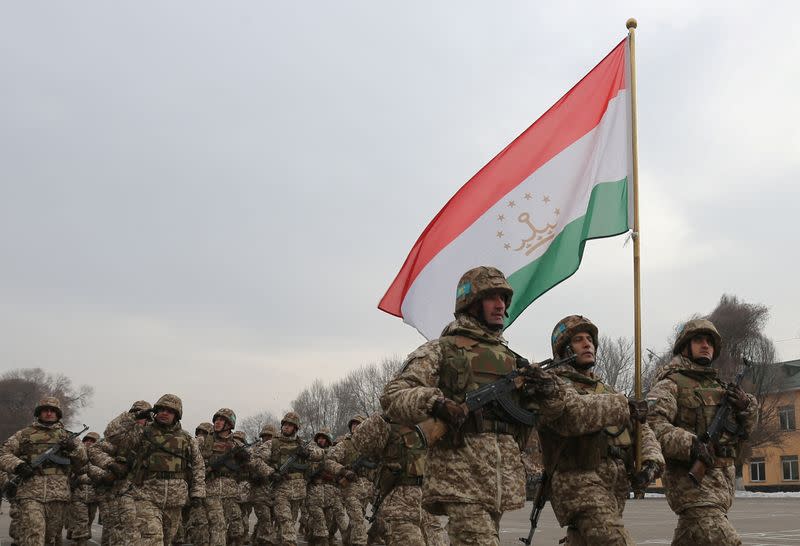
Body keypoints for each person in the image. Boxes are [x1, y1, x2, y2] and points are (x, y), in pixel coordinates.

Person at [380, 266, 566, 545]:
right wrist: (436, 403)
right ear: (471, 303)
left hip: (501, 483)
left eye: (503, 298)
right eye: (491, 297)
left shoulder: (513, 360)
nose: (500, 305)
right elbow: (393, 395)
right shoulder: (443, 349)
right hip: (461, 478)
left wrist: (547, 389)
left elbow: (548, 413)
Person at [538, 315, 664, 545]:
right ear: (564, 349)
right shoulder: (553, 386)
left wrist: (651, 461)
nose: (588, 344)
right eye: (578, 340)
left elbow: (641, 429)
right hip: (578, 482)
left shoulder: (607, 390)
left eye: (590, 339)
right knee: (615, 540)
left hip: (613, 485)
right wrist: (623, 404)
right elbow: (573, 415)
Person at [647, 319, 758, 545]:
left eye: (709, 341)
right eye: (698, 340)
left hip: (720, 487)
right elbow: (653, 425)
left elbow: (743, 432)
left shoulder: (720, 388)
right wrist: (692, 444)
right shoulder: (670, 384)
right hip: (692, 487)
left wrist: (746, 407)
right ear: (685, 346)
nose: (705, 345)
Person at [102, 394, 206, 545]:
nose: (165, 413)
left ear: (177, 415)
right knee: (152, 540)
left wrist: (198, 492)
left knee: (167, 540)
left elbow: (198, 465)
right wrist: (134, 416)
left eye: (170, 411)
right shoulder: (142, 433)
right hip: (146, 496)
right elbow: (111, 435)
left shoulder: (187, 439)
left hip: (175, 500)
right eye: (161, 409)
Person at [0, 396, 88, 546]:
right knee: (33, 537)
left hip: (58, 497)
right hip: (30, 494)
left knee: (50, 539)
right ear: (39, 413)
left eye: (52, 411)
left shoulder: (68, 437)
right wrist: (18, 465)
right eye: (45, 410)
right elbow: (3, 453)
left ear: (58, 414)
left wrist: (72, 448)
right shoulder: (24, 434)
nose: (49, 413)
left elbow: (83, 462)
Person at [350, 413, 447, 545]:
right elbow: (359, 443)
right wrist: (384, 416)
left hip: (426, 496)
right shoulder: (386, 424)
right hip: (400, 498)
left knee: (436, 540)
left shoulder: (428, 420)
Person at [89, 399, 153, 546]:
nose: (139, 418)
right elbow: (95, 448)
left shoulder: (154, 435)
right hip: (120, 490)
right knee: (117, 531)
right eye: (135, 414)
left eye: (142, 415)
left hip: (147, 491)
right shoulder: (121, 436)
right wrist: (111, 464)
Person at [199, 408, 254, 546]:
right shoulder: (204, 440)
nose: (217, 422)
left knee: (235, 527)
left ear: (229, 424)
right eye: (216, 419)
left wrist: (246, 460)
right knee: (218, 524)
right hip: (210, 488)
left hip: (230, 491)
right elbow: (189, 457)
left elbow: (253, 463)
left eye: (222, 420)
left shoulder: (237, 445)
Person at [305, 428, 349, 546]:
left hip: (330, 491)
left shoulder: (333, 454)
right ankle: (317, 539)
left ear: (328, 440)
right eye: (319, 438)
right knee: (318, 519)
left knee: (329, 519)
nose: (321, 440)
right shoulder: (312, 450)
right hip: (315, 489)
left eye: (324, 438)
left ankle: (322, 538)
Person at [68, 431, 103, 546]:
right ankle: (79, 542)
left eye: (92, 441)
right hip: (78, 494)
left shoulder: (100, 458)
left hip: (94, 496)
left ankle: (78, 535)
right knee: (81, 521)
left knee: (89, 520)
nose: (89, 442)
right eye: (86, 440)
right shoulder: (77, 455)